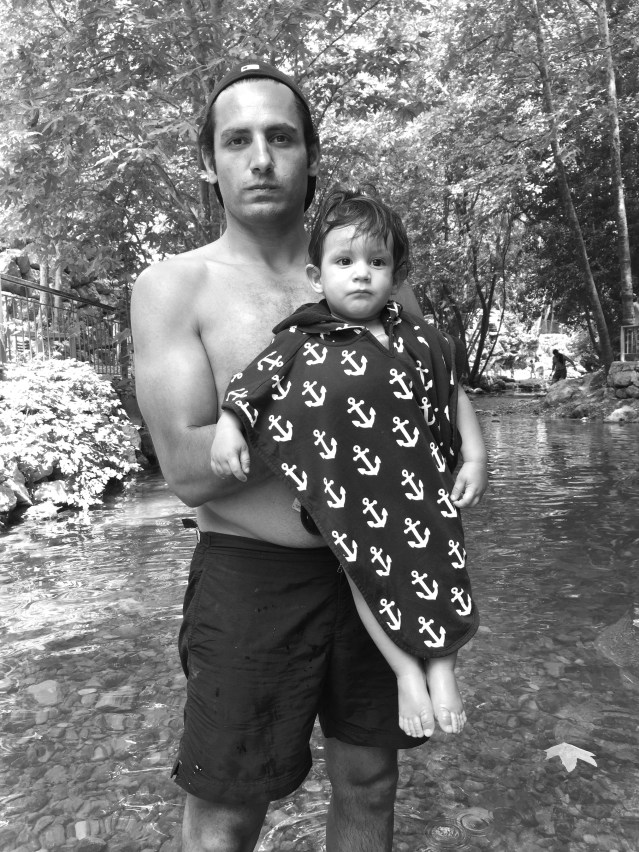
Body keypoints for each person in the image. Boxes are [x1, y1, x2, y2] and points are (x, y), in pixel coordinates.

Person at [132, 61, 439, 852]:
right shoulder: (174, 286)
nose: (260, 158)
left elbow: (427, 419)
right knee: (229, 811)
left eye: (281, 138)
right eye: (237, 141)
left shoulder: (369, 275)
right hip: (249, 578)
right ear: (209, 162)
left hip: (374, 566)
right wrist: (327, 407)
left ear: (310, 154)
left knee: (370, 782)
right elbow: (191, 471)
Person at [211, 186, 488, 741]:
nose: (361, 274)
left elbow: (452, 392)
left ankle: (443, 669)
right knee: (370, 581)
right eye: (344, 261)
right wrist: (229, 427)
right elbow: (251, 387)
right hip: (352, 494)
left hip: (422, 486)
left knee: (445, 568)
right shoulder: (300, 341)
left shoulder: (418, 335)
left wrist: (475, 455)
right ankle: (408, 672)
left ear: (395, 272)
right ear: (318, 276)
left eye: (377, 262)